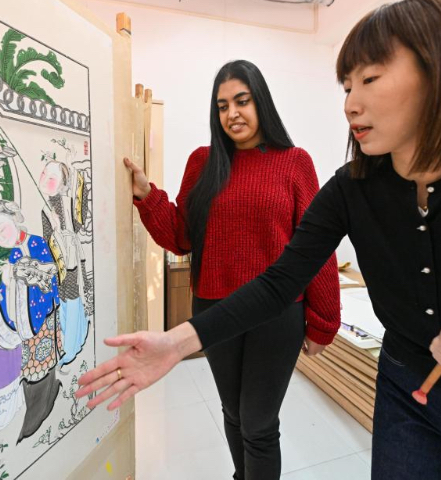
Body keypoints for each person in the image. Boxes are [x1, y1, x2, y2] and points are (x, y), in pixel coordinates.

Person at [77, 1, 441, 478]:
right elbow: (283, 275)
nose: (351, 103)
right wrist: (176, 340)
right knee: (241, 417)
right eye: (346, 85)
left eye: (369, 78)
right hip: (410, 396)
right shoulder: (353, 188)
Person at [121, 59, 341, 479]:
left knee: (259, 422)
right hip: (214, 311)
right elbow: (181, 236)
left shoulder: (294, 162)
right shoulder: (203, 162)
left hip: (276, 313)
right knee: (234, 413)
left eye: (242, 101)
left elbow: (317, 249)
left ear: (262, 102)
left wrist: (323, 322)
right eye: (222, 106)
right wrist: (148, 195)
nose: (232, 113)